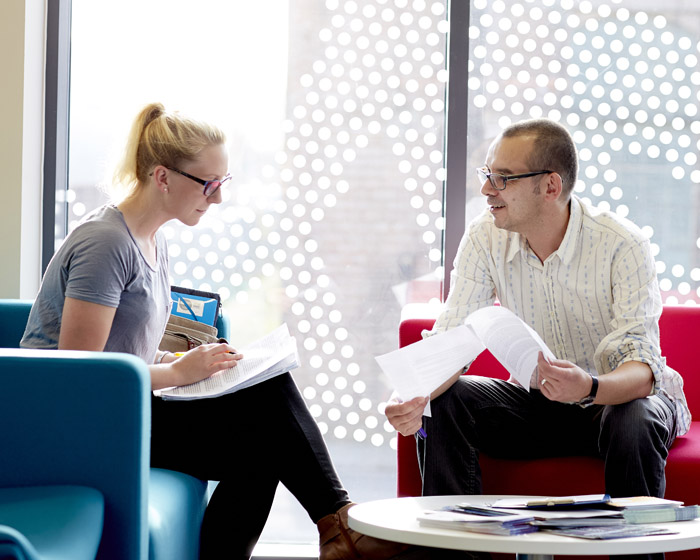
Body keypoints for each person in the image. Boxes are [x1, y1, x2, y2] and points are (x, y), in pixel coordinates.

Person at [20, 102, 426, 560]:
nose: (217, 198)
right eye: (209, 184)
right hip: (75, 425)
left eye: (223, 182)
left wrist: (186, 364)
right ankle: (341, 528)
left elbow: (125, 350)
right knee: (267, 428)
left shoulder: (152, 237)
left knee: (264, 427)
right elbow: (82, 374)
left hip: (123, 408)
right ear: (163, 177)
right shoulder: (105, 243)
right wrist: (177, 374)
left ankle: (339, 526)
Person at [385, 118, 690, 560]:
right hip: (542, 405)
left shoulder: (622, 244)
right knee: (446, 400)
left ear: (550, 185)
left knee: (634, 419)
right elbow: (450, 337)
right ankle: (453, 555)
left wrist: (589, 387)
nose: (488, 189)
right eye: (487, 175)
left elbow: (644, 372)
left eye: (503, 178)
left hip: (617, 400)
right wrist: (408, 397)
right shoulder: (485, 237)